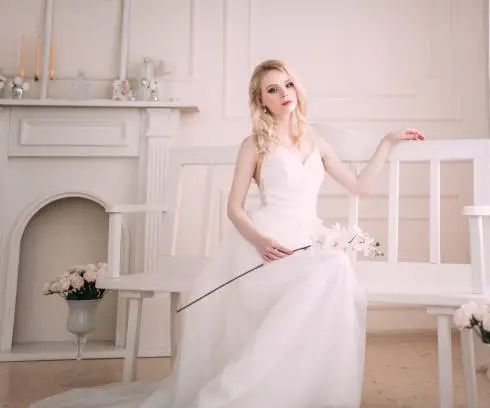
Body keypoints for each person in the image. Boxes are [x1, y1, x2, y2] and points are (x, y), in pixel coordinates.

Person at [29, 59, 424, 408]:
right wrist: (261, 242)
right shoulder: (254, 145)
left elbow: (359, 186)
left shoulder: (316, 142)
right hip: (264, 244)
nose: (283, 93)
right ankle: (244, 392)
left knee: (335, 268)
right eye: (273, 89)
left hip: (309, 239)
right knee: (329, 272)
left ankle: (304, 389)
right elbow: (234, 208)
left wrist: (387, 143)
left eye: (287, 84)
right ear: (261, 100)